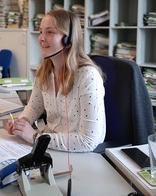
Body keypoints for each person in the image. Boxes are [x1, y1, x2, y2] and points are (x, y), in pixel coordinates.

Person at [6, 9, 106, 152]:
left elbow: (88, 140)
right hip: (50, 146)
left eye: (50, 32)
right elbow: (35, 107)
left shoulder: (88, 76)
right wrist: (22, 122)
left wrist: (36, 137)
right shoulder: (45, 70)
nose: (41, 38)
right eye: (41, 31)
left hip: (79, 153)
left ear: (68, 39)